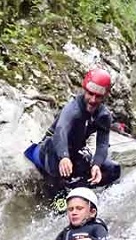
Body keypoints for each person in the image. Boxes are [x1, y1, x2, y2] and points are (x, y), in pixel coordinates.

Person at [26, 69, 122, 209]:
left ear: (105, 96)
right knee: (55, 149)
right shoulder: (73, 108)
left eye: (98, 96)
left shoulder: (103, 115)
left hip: (75, 153)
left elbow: (102, 144)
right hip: (49, 152)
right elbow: (60, 132)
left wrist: (96, 164)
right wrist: (64, 157)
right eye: (90, 94)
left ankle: (79, 189)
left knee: (113, 169)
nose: (93, 100)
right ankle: (58, 195)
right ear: (84, 90)